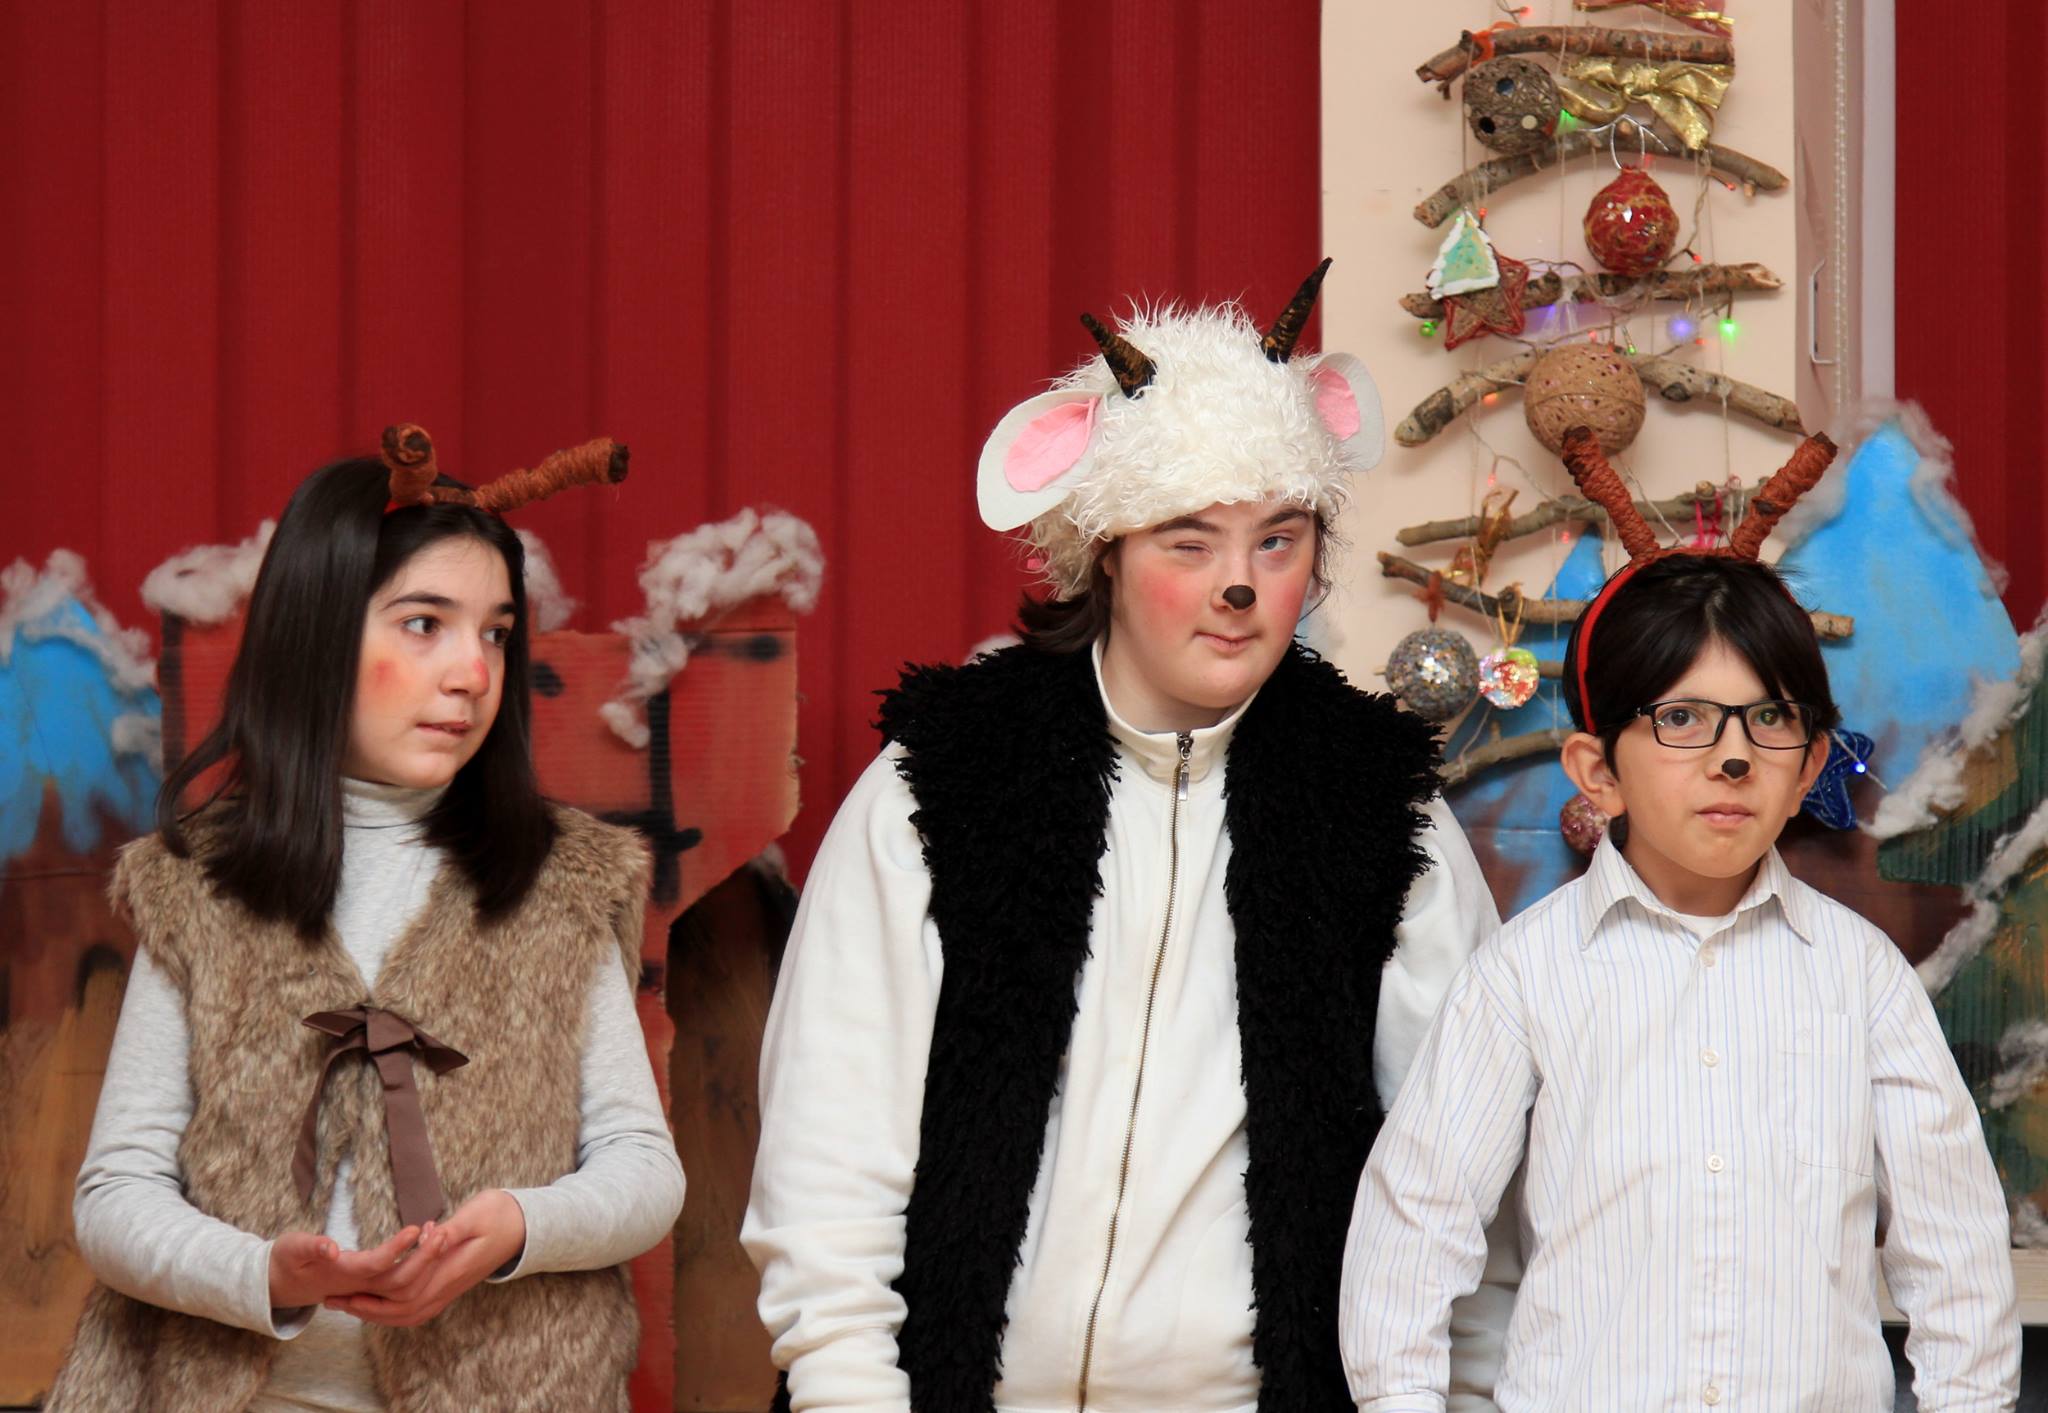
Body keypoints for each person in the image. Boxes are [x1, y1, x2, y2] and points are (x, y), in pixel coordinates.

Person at [743, 262, 1513, 1412]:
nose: (1239, 587)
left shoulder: (1380, 812)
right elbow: (828, 1160)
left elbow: (1458, 1193)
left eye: (1277, 540)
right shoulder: (943, 782)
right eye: (1188, 542)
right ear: (1104, 547)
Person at [1340, 427, 2021, 1411]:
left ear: (1810, 767)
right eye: (1682, 718)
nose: (1733, 757)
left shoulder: (1862, 978)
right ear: (1597, 771)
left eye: (1769, 718)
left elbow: (1955, 1258)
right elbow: (1413, 1232)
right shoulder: (1524, 974)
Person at [49, 427, 685, 1412]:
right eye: (425, 623)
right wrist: (263, 1273)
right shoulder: (200, 887)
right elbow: (115, 1192)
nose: (472, 672)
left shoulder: (557, 881)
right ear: (318, 635)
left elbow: (643, 1168)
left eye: (496, 632)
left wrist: (515, 1226)